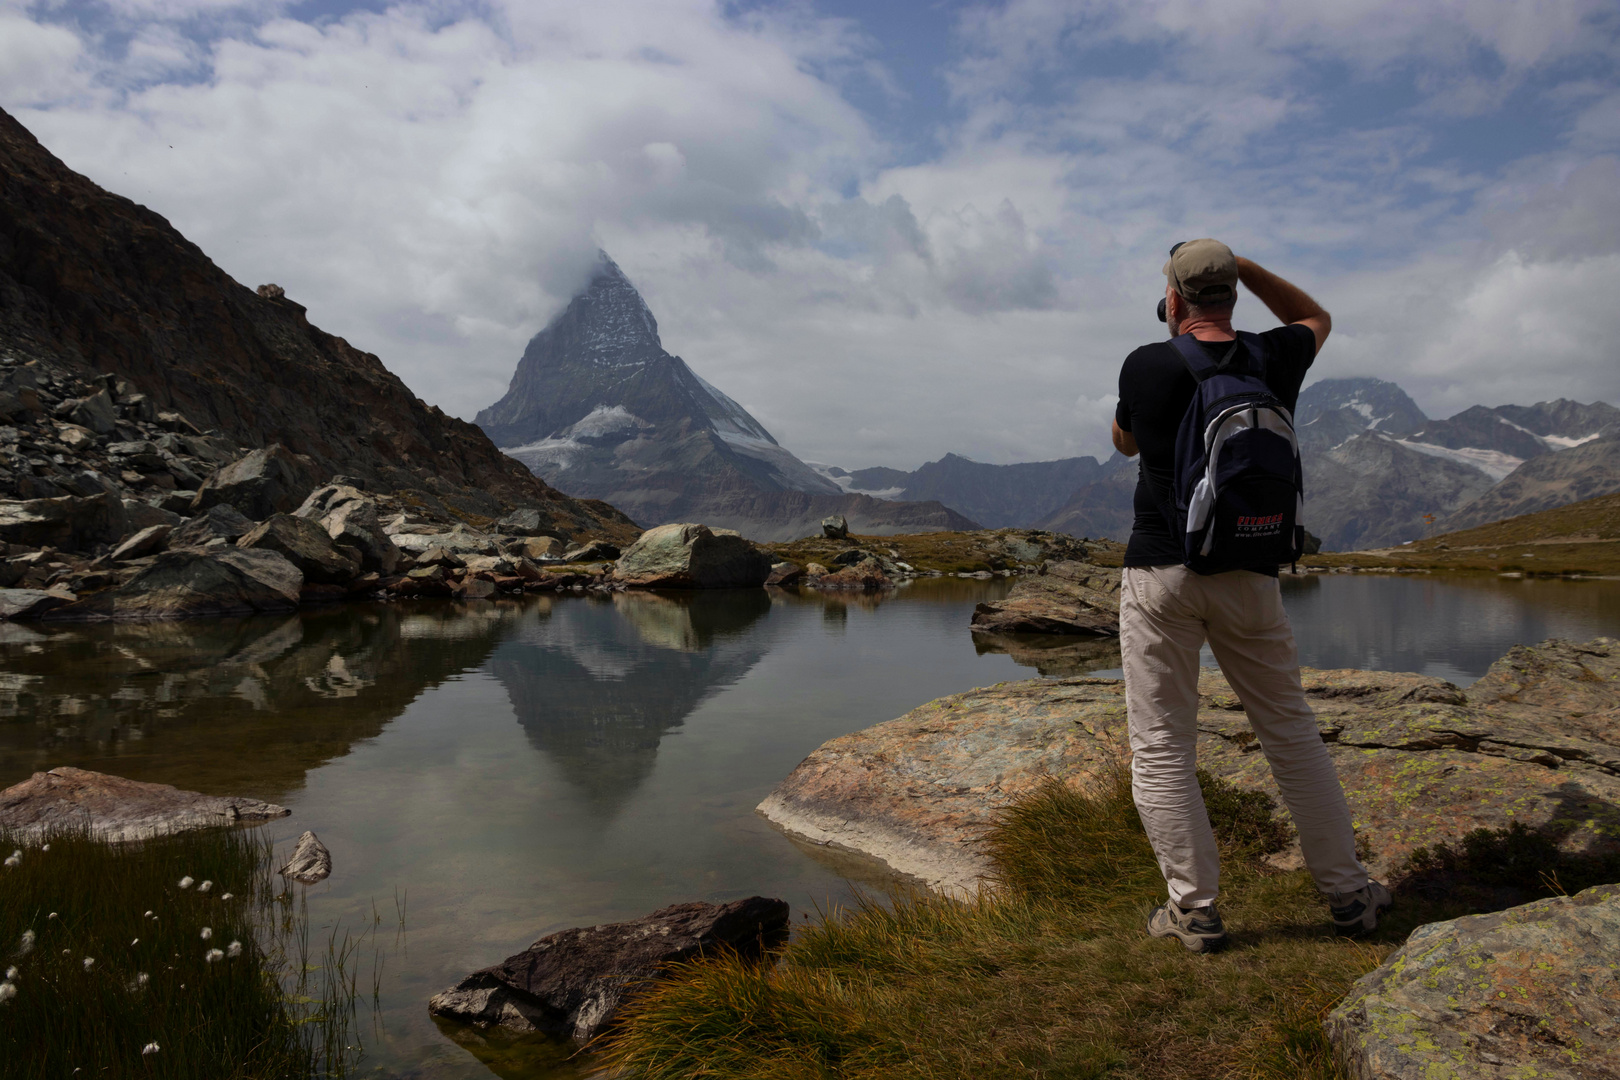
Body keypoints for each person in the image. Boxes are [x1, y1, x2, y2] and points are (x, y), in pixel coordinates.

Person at [1110, 238, 1391, 953]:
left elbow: (1125, 444)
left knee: (1163, 745)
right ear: (1235, 294)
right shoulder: (1275, 356)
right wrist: (1248, 269)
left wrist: (1173, 325)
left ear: (1172, 299)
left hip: (1162, 574)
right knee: (1291, 733)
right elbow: (1317, 315)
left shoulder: (1147, 364)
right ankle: (1350, 895)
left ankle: (1194, 910)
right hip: (1252, 571)